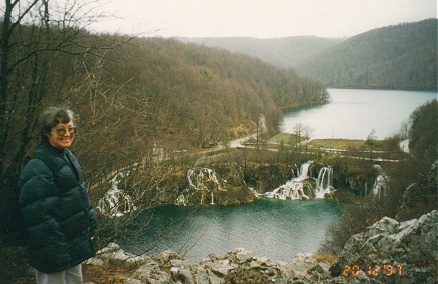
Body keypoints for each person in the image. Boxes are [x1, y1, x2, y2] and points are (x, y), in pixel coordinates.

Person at [19, 106, 98, 284]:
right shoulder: (38, 166)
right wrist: (57, 249)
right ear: (47, 132)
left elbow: (79, 195)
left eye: (71, 129)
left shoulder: (66, 155)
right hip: (52, 249)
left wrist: (90, 224)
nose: (67, 134)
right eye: (61, 130)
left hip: (71, 243)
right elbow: (38, 215)